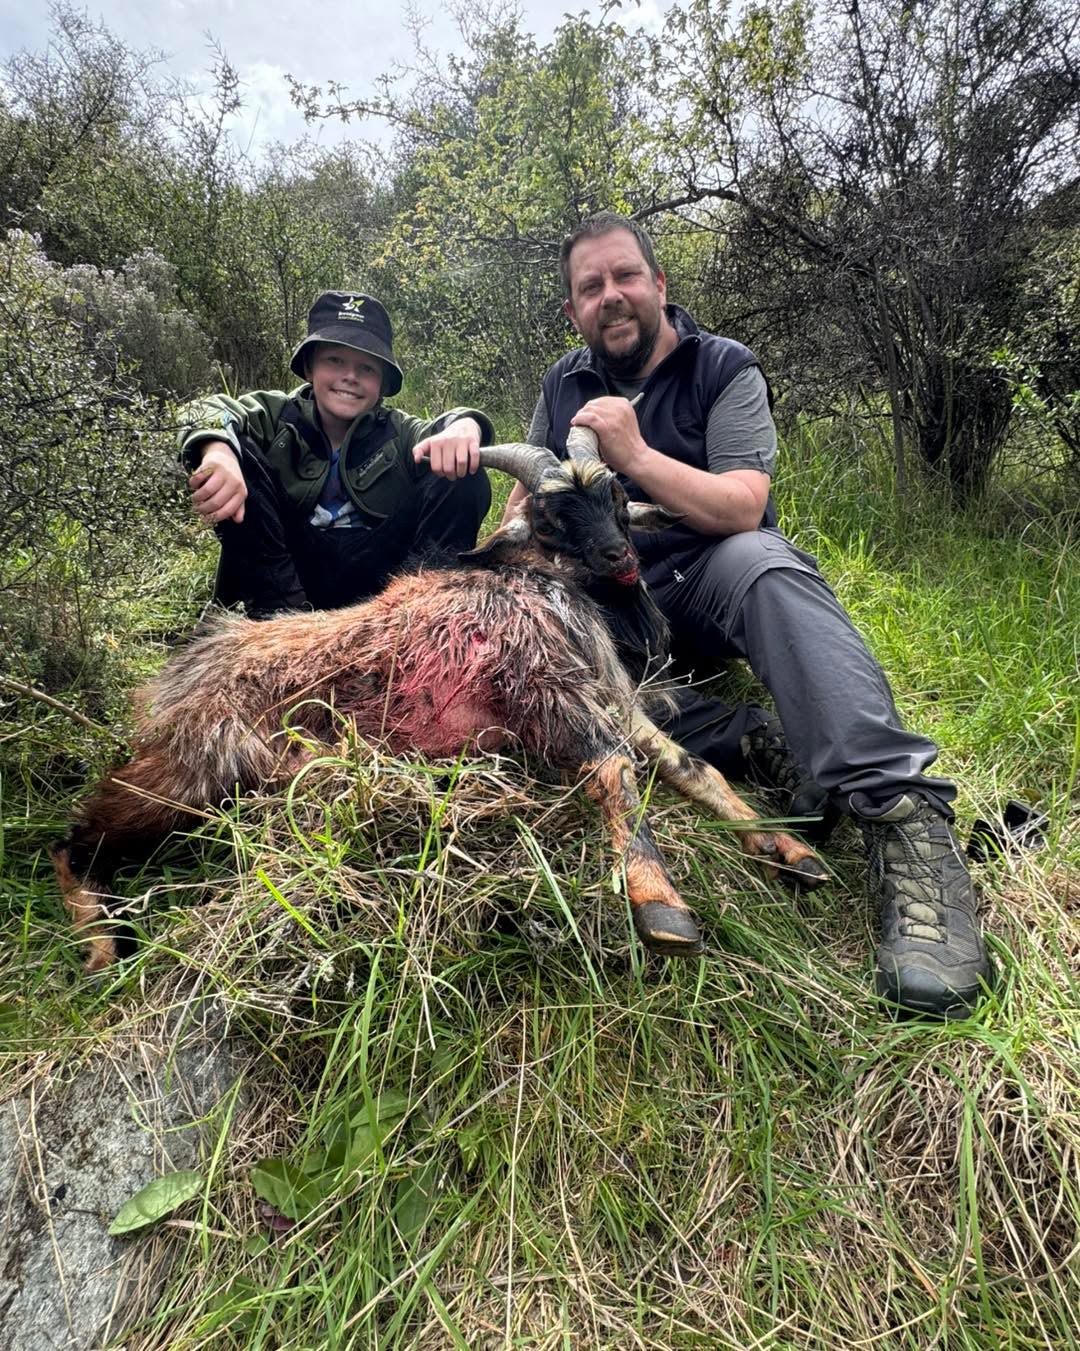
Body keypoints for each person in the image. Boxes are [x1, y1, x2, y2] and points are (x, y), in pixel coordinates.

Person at [508, 211, 992, 1018]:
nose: (611, 296)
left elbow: (743, 505)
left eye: (626, 276)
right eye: (590, 287)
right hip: (613, 604)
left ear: (659, 285)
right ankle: (754, 741)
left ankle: (902, 819)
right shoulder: (562, 383)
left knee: (766, 562)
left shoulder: (723, 368)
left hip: (706, 576)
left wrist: (634, 458)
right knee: (557, 660)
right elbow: (531, 497)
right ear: (573, 311)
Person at [179, 291, 491, 616]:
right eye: (335, 360)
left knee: (462, 474)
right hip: (286, 574)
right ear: (309, 367)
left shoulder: (400, 431)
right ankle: (277, 615)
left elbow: (446, 429)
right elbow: (203, 410)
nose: (350, 377)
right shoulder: (276, 413)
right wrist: (218, 451)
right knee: (233, 447)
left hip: (386, 583)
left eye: (367, 368)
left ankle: (426, 612)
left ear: (383, 384)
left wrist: (465, 424)